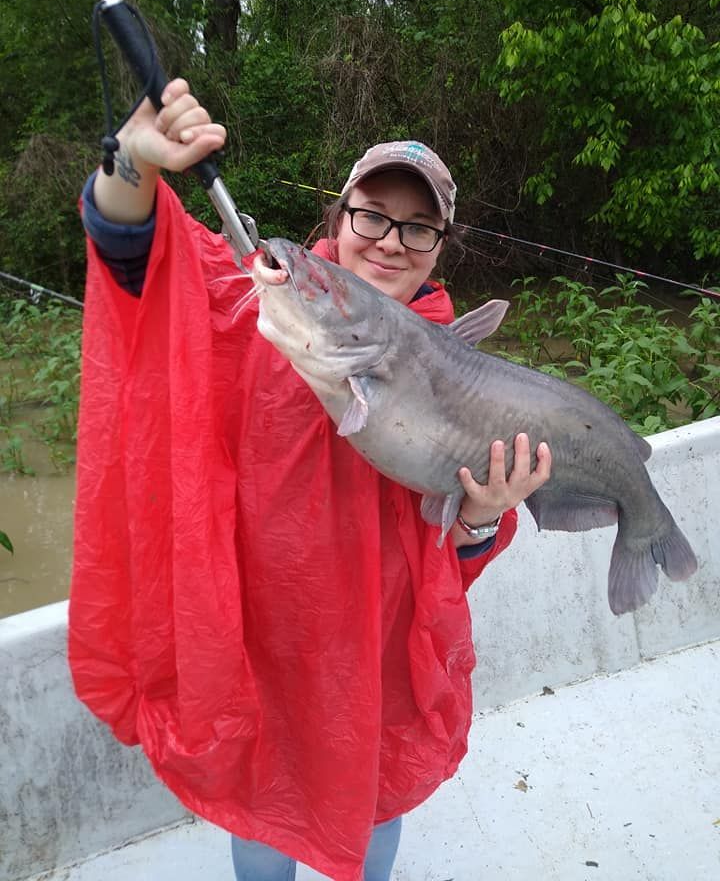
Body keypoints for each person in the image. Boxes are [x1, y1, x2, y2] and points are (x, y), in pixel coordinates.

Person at [70, 78, 552, 881]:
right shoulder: (255, 300)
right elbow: (137, 253)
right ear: (339, 218)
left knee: (375, 802)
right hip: (266, 644)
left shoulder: (466, 375)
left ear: (441, 245)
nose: (390, 241)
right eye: (372, 215)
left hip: (383, 651)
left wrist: (476, 518)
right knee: (266, 801)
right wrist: (133, 162)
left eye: (418, 226)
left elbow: (452, 567)